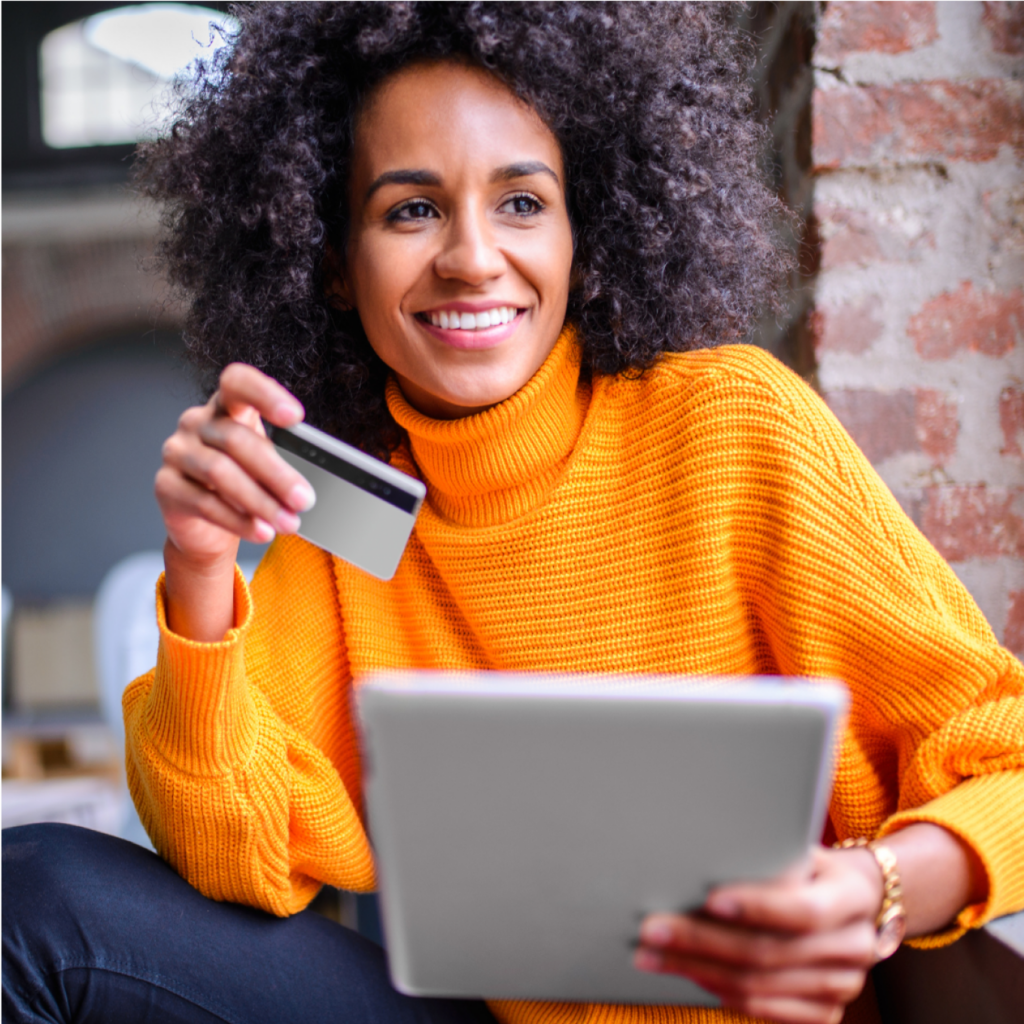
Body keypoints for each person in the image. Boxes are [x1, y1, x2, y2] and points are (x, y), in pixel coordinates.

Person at [2, 2, 1023, 1023]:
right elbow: (237, 853)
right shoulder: (350, 512)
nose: (472, 257)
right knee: (30, 893)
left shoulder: (728, 426)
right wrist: (197, 565)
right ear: (328, 258)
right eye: (410, 211)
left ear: (590, 227)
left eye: (523, 202)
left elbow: (1009, 750)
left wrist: (876, 888)